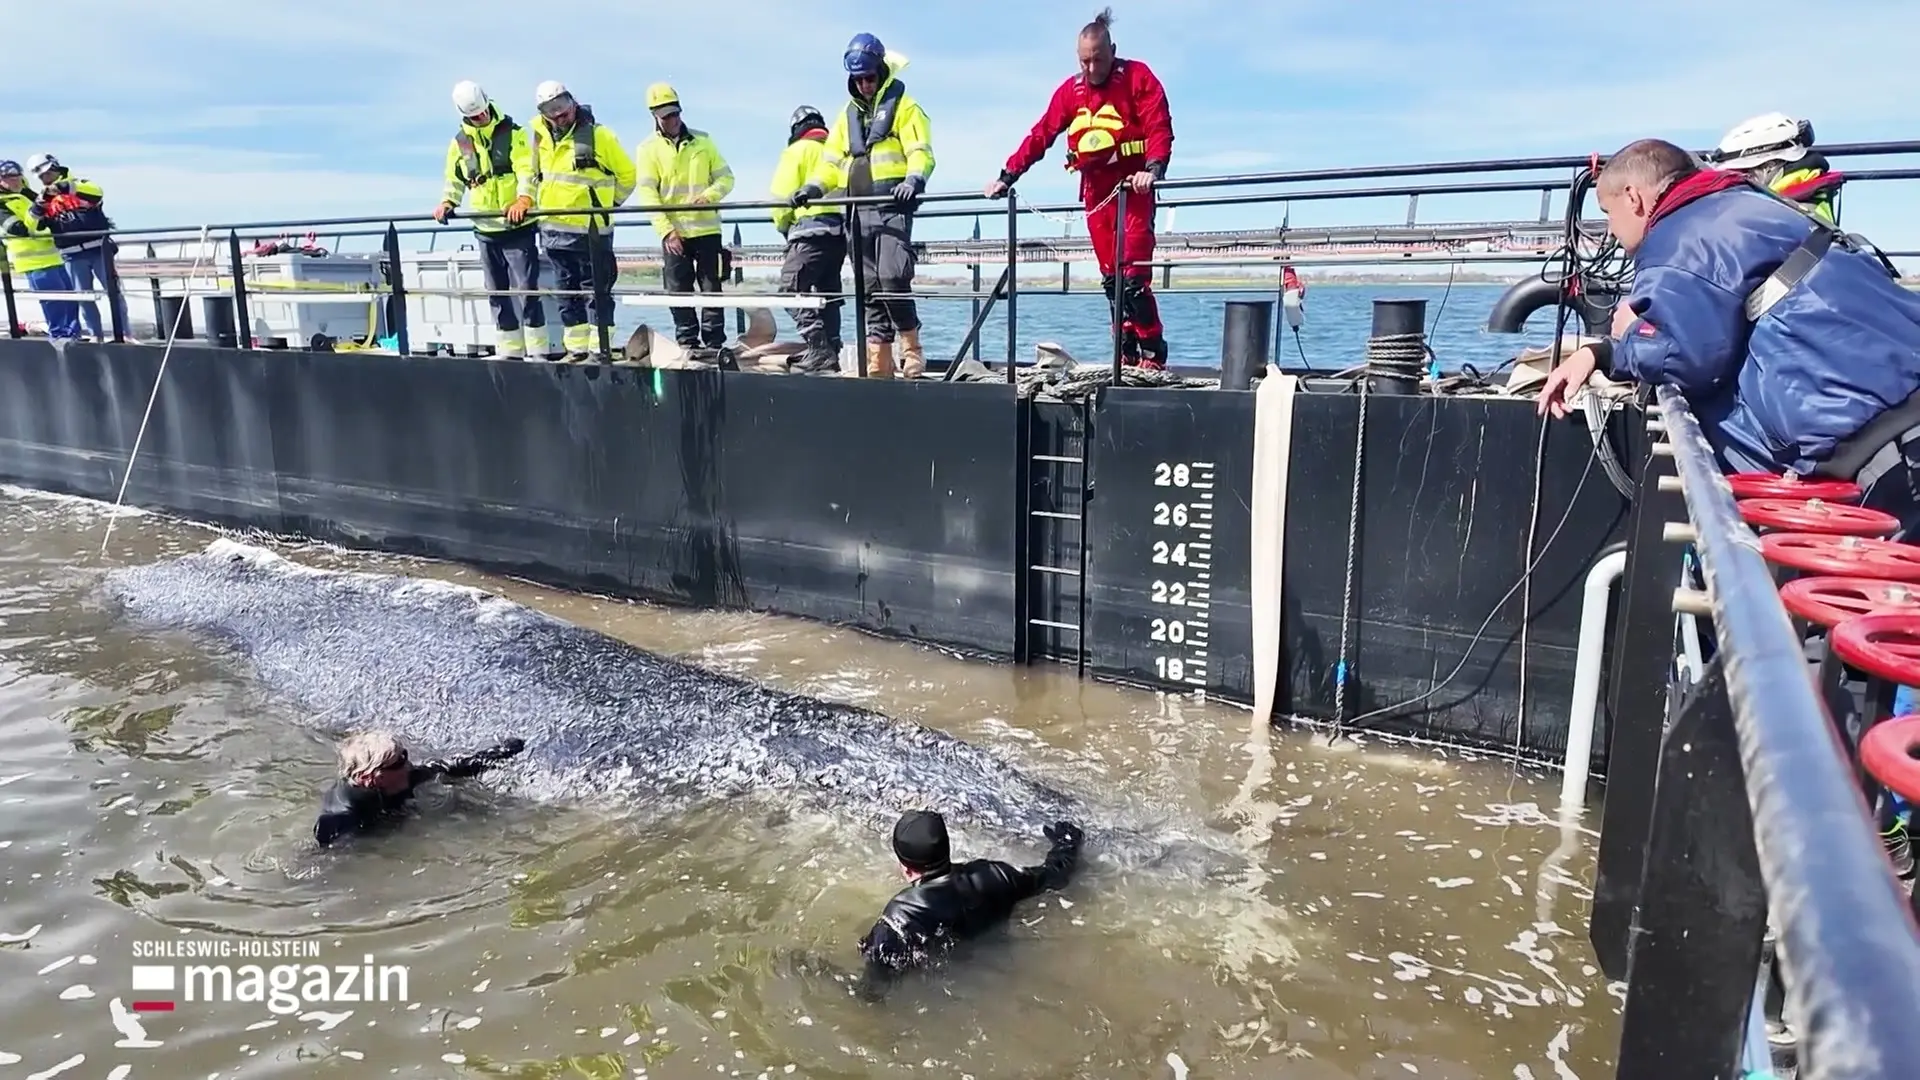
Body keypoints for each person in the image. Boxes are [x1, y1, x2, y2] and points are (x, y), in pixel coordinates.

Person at [985, 7, 1173, 369]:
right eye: (1084, 60)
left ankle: (1153, 354)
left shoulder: (1138, 77)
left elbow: (1159, 125)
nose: (1091, 68)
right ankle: (1125, 354)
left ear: (1112, 51)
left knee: (1134, 278)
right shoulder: (1070, 92)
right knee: (1112, 280)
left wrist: (1153, 169)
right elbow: (1041, 134)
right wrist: (1007, 176)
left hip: (1133, 191)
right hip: (1096, 195)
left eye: (1097, 59)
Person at [792, 33, 935, 380]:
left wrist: (913, 180)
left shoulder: (906, 107)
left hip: (892, 204)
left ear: (880, 71)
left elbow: (920, 151)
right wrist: (813, 187)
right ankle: (878, 363)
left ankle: (912, 351)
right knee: (869, 286)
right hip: (857, 210)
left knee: (892, 276)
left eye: (869, 77)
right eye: (858, 79)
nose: (865, 85)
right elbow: (830, 163)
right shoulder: (847, 116)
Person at [856, 810, 1084, 1001]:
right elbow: (1054, 875)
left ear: (905, 868)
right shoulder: (996, 874)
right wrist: (1067, 844)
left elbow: (872, 991)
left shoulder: (899, 916)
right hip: (998, 978)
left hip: (945, 998)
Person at [434, 81, 547, 360]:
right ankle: (510, 350)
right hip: (485, 230)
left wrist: (524, 199)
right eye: (475, 116)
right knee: (496, 293)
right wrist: (448, 202)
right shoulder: (459, 143)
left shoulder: (515, 134)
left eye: (483, 112)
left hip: (517, 227)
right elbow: (454, 179)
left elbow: (526, 170)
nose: (481, 117)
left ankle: (538, 351)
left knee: (527, 290)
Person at [530, 80, 636, 363]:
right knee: (566, 292)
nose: (559, 115)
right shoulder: (539, 139)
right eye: (551, 110)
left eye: (563, 106)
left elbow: (628, 176)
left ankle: (600, 349)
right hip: (553, 232)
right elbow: (532, 177)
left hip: (592, 232)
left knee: (596, 292)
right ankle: (577, 350)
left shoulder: (601, 137)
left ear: (573, 101)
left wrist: (608, 206)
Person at [635, 83, 735, 355]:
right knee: (678, 289)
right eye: (666, 115)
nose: (673, 119)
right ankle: (688, 342)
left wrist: (710, 195)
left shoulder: (704, 141)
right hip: (674, 233)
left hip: (707, 230)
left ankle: (714, 344)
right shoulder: (647, 149)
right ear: (655, 116)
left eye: (676, 112)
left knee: (711, 288)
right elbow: (648, 194)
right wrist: (666, 231)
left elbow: (726, 178)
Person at [313, 730, 527, 847]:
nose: (407, 764)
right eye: (398, 762)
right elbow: (322, 856)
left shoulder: (400, 775)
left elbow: (450, 766)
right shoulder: (342, 816)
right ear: (370, 778)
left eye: (404, 755)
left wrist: (506, 750)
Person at [769, 105, 846, 375]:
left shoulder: (797, 151)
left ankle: (819, 350)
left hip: (809, 232)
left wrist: (783, 226)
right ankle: (832, 350)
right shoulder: (837, 154)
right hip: (839, 234)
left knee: (789, 292)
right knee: (828, 295)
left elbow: (781, 199)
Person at [24, 153, 125, 341]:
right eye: (41, 176)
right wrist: (39, 206)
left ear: (55, 167)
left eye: (47, 173)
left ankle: (125, 334)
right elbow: (31, 226)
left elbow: (97, 192)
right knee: (83, 298)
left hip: (99, 249)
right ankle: (96, 336)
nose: (45, 177)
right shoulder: (44, 198)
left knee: (113, 293)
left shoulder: (80, 185)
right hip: (72, 255)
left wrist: (64, 188)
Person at [1709, 113, 1844, 226]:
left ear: (1769, 167)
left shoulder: (1789, 213)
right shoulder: (1801, 197)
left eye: (1740, 174)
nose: (1732, 184)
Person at [0, 160, 81, 342]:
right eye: (9, 177)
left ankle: (74, 335)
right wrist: (45, 221)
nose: (15, 180)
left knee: (71, 299)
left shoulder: (24, 193)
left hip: (54, 256)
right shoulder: (2, 203)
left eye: (17, 175)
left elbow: (48, 210)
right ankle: (59, 338)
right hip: (34, 261)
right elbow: (17, 228)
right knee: (54, 302)